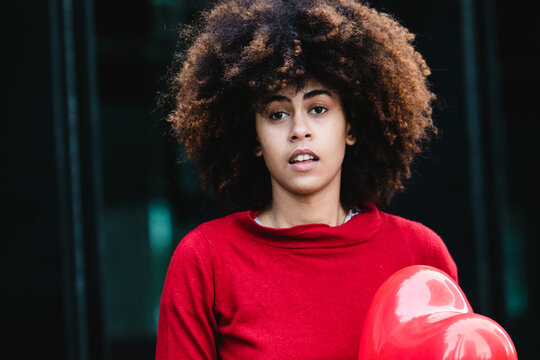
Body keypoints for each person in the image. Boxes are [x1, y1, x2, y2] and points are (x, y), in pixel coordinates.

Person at [156, 0, 457, 359]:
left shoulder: (418, 253)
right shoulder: (205, 260)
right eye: (277, 113)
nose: (299, 130)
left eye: (318, 109)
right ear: (254, 138)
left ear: (351, 126)